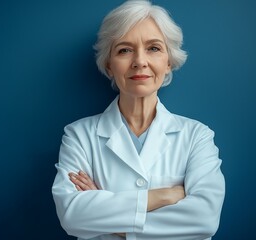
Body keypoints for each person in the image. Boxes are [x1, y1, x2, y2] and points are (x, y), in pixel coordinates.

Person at [52, 1, 225, 239]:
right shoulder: (79, 136)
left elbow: (204, 219)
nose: (139, 61)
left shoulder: (197, 136)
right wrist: (163, 196)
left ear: (169, 62)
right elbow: (72, 215)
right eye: (124, 50)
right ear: (109, 65)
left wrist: (109, 220)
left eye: (153, 48)